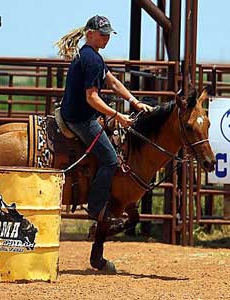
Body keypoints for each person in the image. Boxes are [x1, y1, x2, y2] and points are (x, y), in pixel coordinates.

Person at [55, 15, 153, 223]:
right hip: (80, 119)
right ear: (90, 35)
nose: (106, 38)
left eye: (108, 34)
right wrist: (118, 115)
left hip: (77, 113)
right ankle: (97, 208)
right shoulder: (91, 59)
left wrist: (134, 102)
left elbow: (113, 82)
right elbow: (91, 97)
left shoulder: (91, 55)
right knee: (110, 160)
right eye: (102, 34)